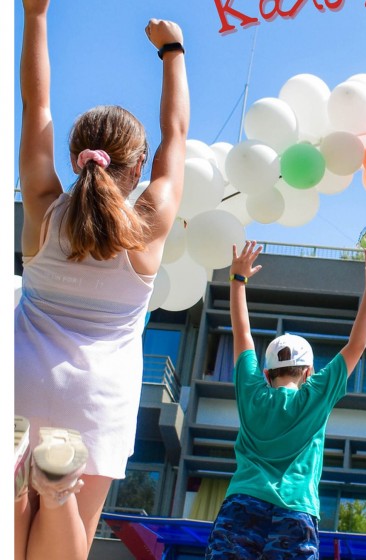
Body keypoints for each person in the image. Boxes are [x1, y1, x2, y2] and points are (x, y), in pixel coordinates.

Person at [14, 0, 189, 558]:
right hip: (96, 400)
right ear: (137, 165)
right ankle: (56, 489)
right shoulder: (148, 223)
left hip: (18, 380)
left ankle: (21, 485)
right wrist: (173, 50)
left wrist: (35, 15)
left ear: (74, 157)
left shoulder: (43, 209)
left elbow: (35, 105)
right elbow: (177, 134)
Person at [205, 243, 366, 560]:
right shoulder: (316, 394)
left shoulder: (252, 390)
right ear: (308, 371)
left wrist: (237, 279)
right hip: (296, 508)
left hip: (242, 502)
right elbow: (356, 344)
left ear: (266, 373)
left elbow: (242, 334)